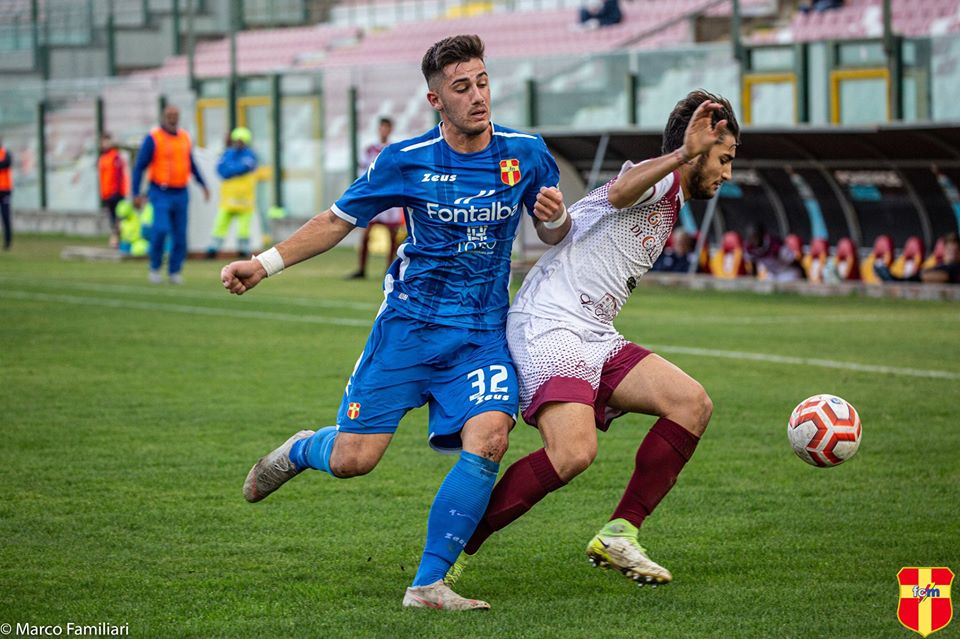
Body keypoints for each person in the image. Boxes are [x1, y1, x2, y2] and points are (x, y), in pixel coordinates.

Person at [220, 34, 567, 611]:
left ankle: (429, 584)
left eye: (482, 81)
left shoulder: (526, 153)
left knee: (491, 437)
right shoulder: (405, 159)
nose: (478, 96)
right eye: (462, 87)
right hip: (408, 328)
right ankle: (302, 449)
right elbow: (336, 221)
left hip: (481, 333)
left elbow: (552, 231)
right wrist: (263, 264)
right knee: (356, 459)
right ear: (436, 100)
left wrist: (554, 221)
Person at [446, 90, 739, 588]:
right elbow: (624, 191)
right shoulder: (661, 177)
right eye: (724, 158)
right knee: (573, 453)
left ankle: (619, 534)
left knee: (692, 403)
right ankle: (452, 550)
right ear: (694, 148)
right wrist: (682, 156)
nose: (727, 172)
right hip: (549, 324)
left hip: (593, 332)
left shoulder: (669, 191)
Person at [131, 105, 210, 284]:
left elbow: (191, 164)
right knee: (161, 229)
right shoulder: (154, 138)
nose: (172, 118)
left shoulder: (184, 137)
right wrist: (135, 192)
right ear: (163, 117)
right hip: (161, 191)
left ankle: (175, 270)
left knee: (180, 234)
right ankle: (155, 267)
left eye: (175, 115)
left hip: (181, 191)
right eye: (169, 115)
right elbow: (140, 166)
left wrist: (203, 184)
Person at [347, 117, 406, 279]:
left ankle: (390, 270)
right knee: (366, 234)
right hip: (374, 196)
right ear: (379, 129)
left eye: (387, 127)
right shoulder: (370, 149)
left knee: (392, 236)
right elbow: (363, 171)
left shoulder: (395, 149)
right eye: (382, 127)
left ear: (390, 129)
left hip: (390, 197)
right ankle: (361, 269)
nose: (384, 130)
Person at [206, 127, 259, 259]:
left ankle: (243, 250)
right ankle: (214, 248)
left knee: (244, 227)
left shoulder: (250, 155)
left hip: (245, 199)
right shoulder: (228, 153)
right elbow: (221, 170)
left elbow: (242, 168)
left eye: (242, 140)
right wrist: (233, 169)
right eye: (237, 140)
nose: (239, 143)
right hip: (228, 198)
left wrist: (231, 168)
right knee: (220, 224)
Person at [875, 232, 960, 284]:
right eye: (949, 250)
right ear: (944, 250)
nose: (952, 254)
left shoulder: (956, 268)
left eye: (955, 251)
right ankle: (898, 280)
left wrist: (922, 276)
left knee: (920, 276)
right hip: (923, 279)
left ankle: (898, 281)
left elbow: (945, 277)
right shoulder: (941, 265)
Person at [98, 133, 127, 248]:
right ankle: (116, 239)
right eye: (103, 142)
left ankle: (117, 240)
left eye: (107, 141)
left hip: (116, 193)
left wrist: (118, 191)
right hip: (107, 193)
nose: (105, 144)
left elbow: (119, 175)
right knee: (112, 219)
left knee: (118, 218)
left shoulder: (115, 156)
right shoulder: (102, 158)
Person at [0, 137, 12, 250]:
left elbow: (5, 163)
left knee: (5, 217)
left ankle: (8, 242)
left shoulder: (6, 153)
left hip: (5, 190)